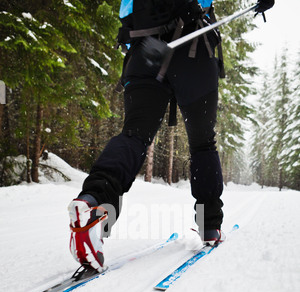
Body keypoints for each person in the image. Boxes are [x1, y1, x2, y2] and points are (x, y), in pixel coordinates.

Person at [68, 0, 275, 273]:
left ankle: (94, 204)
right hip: (193, 49)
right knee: (202, 143)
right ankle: (209, 225)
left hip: (143, 49)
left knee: (134, 135)